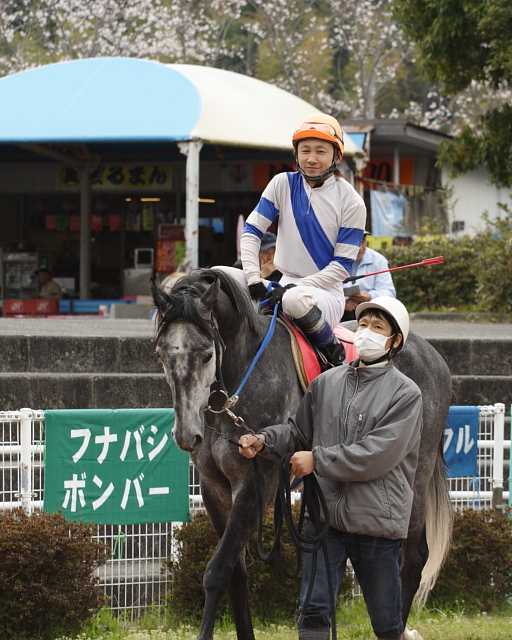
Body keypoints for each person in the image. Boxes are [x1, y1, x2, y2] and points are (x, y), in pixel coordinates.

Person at [239, 296, 423, 640]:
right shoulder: (326, 383)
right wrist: (264, 440)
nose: (366, 332)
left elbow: (376, 455)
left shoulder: (406, 394)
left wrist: (317, 460)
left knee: (386, 624)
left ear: (395, 341)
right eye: (363, 324)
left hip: (377, 524)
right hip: (323, 520)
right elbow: (298, 432)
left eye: (377, 327)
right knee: (313, 609)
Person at [220, 112, 366, 366]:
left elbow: (341, 267)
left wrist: (296, 287)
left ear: (336, 155)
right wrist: (254, 277)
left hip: (324, 295)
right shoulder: (281, 184)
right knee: (219, 275)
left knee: (293, 299)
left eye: (321, 151)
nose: (311, 159)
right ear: (296, 154)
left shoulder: (351, 201)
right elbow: (252, 231)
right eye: (305, 150)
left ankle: (332, 348)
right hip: (281, 284)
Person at [342, 231, 396, 321]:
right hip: (339, 313)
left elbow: (389, 293)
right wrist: (344, 303)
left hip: (370, 314)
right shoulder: (330, 260)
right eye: (354, 242)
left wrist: (370, 297)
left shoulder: (378, 260)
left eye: (362, 241)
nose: (360, 248)